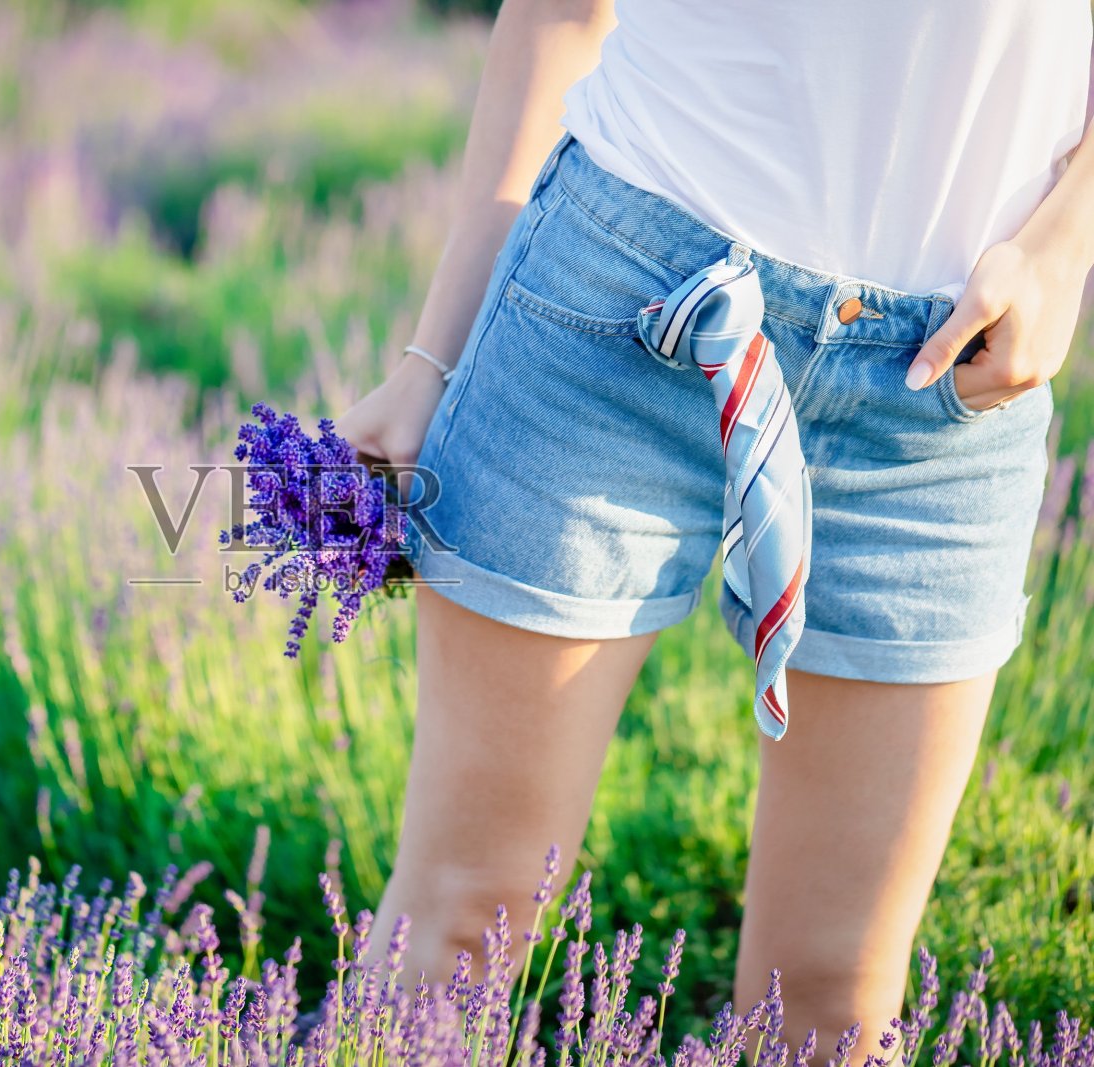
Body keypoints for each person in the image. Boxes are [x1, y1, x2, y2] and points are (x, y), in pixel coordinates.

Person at [333, 0, 1094, 1055]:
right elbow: (560, 12)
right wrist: (433, 362)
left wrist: (1066, 243)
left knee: (828, 1003)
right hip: (617, 306)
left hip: (945, 382)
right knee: (459, 929)